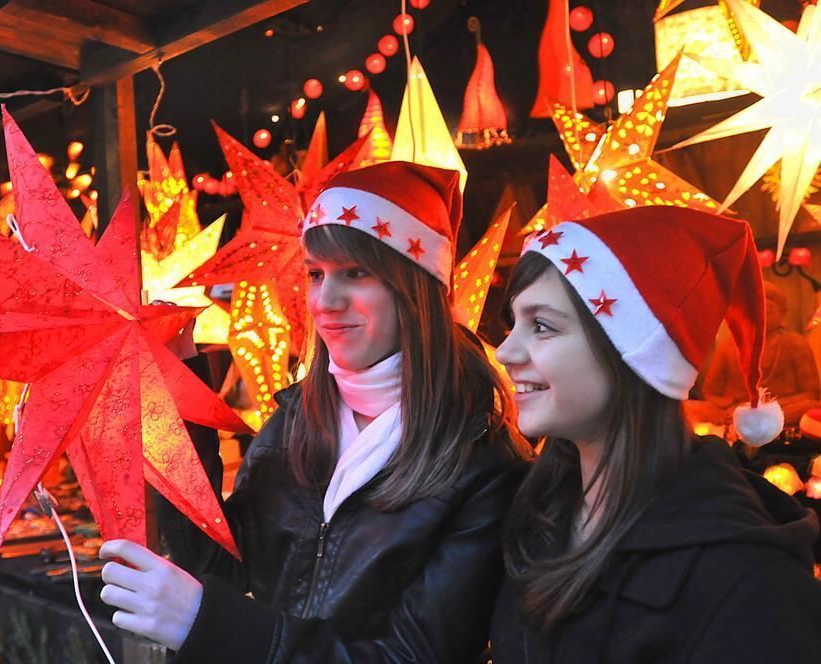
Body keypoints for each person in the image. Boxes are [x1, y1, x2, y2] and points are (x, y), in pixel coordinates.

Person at [99, 161, 530, 662]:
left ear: (417, 288)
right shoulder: (299, 419)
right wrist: (175, 404)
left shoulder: (483, 463)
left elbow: (412, 656)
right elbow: (220, 561)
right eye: (315, 274)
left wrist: (213, 624)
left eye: (356, 273)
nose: (326, 301)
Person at [489, 206, 821, 663]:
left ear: (634, 353)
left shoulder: (749, 585)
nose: (505, 351)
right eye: (513, 322)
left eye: (541, 325)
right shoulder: (537, 510)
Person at [690, 281, 820, 426]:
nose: (764, 311)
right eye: (757, 307)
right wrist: (738, 406)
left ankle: (752, 422)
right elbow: (710, 392)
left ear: (783, 313)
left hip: (780, 409)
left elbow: (812, 394)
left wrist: (764, 406)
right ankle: (750, 421)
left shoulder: (795, 344)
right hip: (736, 410)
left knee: (810, 407)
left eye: (770, 308)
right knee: (689, 408)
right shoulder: (729, 347)